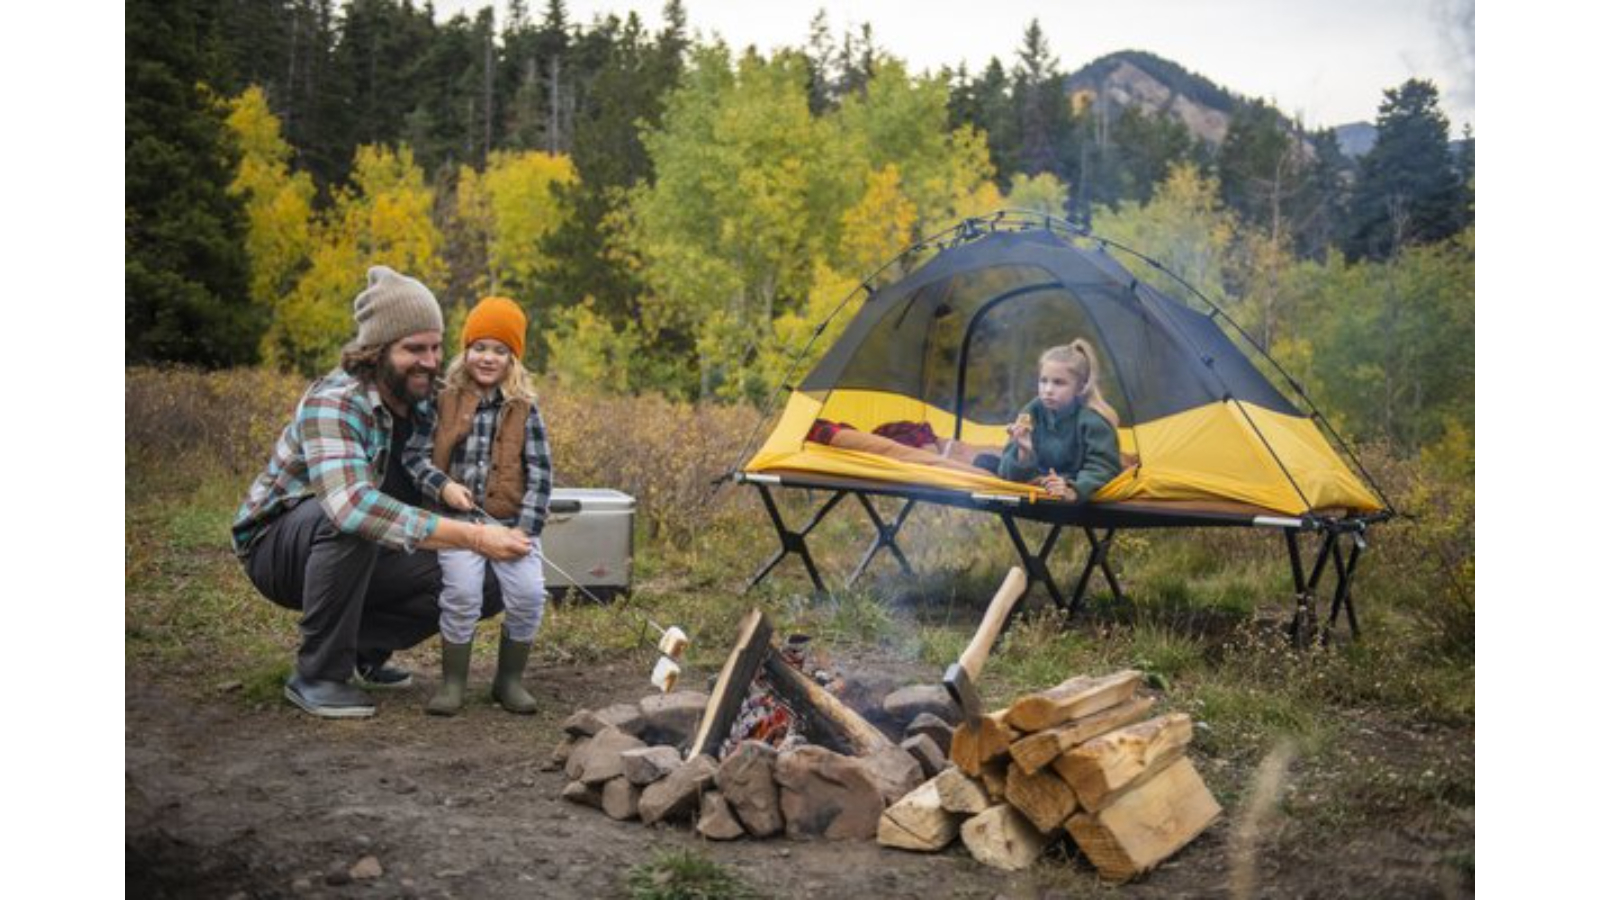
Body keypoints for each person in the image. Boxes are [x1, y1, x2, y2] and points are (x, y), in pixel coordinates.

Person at [232, 266, 533, 719]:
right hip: (279, 547)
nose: (430, 361)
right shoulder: (335, 400)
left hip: (367, 546)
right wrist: (473, 536)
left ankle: (363, 651)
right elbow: (351, 508)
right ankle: (317, 676)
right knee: (354, 521)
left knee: (488, 578)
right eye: (414, 349)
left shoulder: (430, 398)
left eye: (436, 347)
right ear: (376, 352)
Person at [403, 296, 552, 716]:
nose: (488, 357)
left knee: (529, 595)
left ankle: (509, 681)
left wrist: (525, 528)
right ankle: (453, 683)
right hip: (455, 524)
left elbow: (541, 473)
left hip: (510, 523)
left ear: (513, 359)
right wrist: (444, 486)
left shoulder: (525, 408)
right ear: (465, 350)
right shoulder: (442, 400)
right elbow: (414, 457)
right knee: (462, 594)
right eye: (480, 347)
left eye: (500, 350)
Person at [999, 340, 1123, 502]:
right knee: (985, 461)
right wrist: (1024, 453)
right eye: (1043, 381)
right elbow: (1007, 474)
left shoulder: (1093, 421)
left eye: (1059, 383)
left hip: (1073, 482)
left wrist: (1073, 490)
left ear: (1080, 387)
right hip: (1040, 478)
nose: (1048, 390)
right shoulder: (1031, 411)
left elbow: (1103, 468)